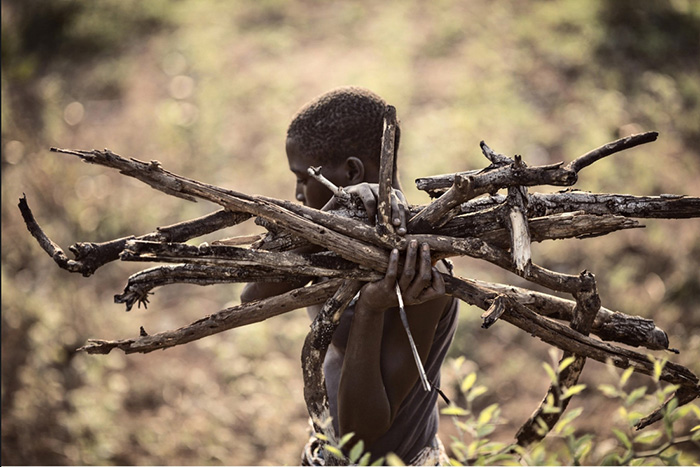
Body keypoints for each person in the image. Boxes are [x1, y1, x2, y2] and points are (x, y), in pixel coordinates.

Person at [241, 86, 458, 465]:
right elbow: (253, 300)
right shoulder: (327, 245)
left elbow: (362, 433)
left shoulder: (420, 271)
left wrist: (372, 310)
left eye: (301, 178)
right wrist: (321, 227)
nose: (297, 194)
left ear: (352, 171)